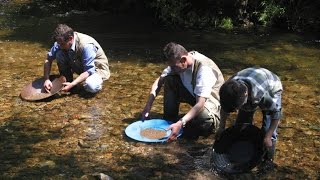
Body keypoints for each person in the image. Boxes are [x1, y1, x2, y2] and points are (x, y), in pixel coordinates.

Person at [141, 42, 224, 141]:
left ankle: (184, 128)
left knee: (202, 118)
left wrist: (181, 122)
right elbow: (159, 81)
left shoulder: (204, 69)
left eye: (174, 67)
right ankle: (169, 120)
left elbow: (200, 104)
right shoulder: (177, 61)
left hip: (210, 105)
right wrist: (148, 105)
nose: (172, 69)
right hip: (195, 95)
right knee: (169, 79)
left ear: (183, 60)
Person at [217, 67, 283, 166]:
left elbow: (276, 113)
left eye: (237, 107)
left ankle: (268, 162)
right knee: (240, 126)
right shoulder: (228, 89)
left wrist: (268, 136)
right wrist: (221, 127)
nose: (235, 111)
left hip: (271, 86)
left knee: (267, 132)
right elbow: (224, 109)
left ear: (246, 95)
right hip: (251, 78)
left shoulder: (261, 95)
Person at [43, 24, 110, 94]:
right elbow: (48, 60)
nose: (60, 46)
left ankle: (97, 82)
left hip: (96, 69)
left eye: (62, 44)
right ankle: (67, 80)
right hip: (80, 64)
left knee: (91, 86)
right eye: (58, 44)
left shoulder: (87, 46)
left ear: (71, 38)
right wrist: (46, 79)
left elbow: (89, 71)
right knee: (59, 54)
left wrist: (72, 84)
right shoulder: (60, 42)